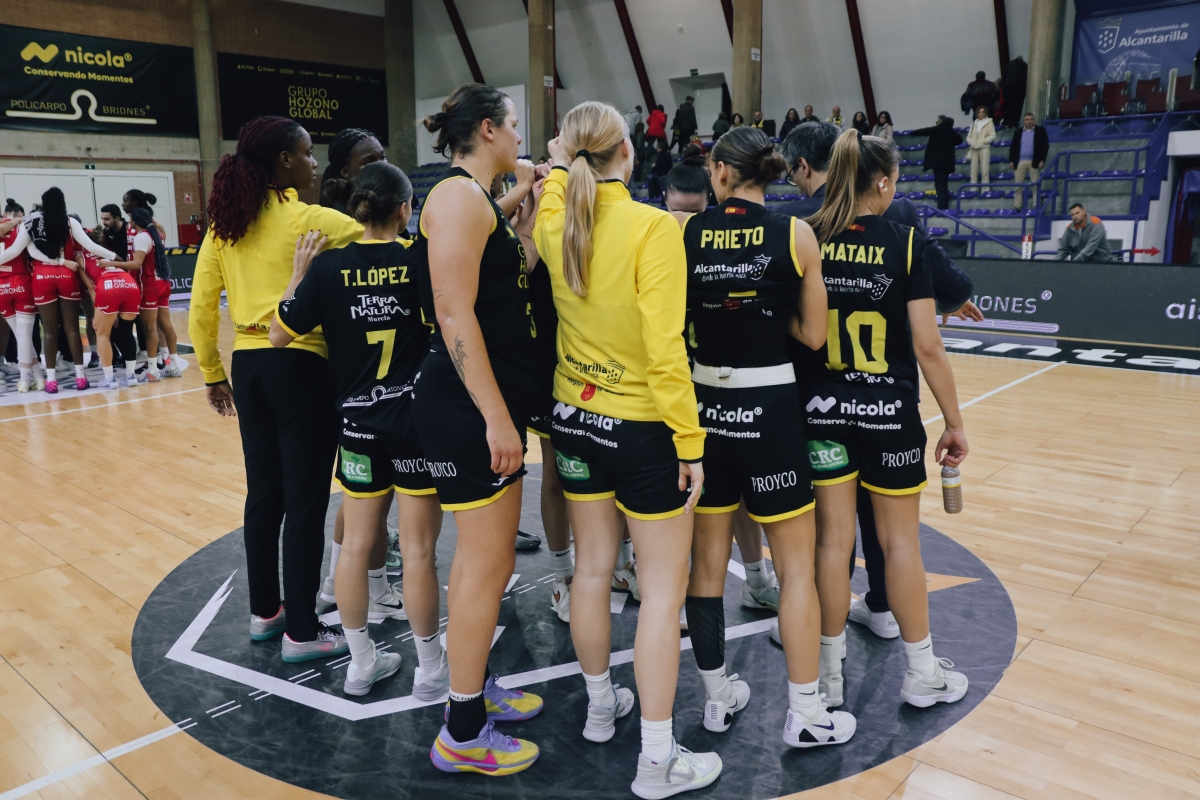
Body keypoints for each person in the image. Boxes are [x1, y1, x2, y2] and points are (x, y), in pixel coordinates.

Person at [537, 101, 720, 798]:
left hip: (574, 423)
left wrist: (557, 161)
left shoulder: (557, 219)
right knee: (662, 595)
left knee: (591, 572)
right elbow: (664, 349)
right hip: (643, 427)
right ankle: (656, 761)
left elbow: (557, 182)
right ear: (628, 153)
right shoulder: (652, 227)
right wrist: (690, 439)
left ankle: (599, 709)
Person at [673, 125, 855, 749]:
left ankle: (718, 698)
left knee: (704, 566)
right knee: (796, 567)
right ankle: (806, 712)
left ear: (720, 172)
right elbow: (813, 336)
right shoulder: (795, 232)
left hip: (704, 407)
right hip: (771, 404)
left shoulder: (688, 233)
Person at [777, 121, 980, 644]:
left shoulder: (805, 233)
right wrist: (954, 424)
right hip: (888, 413)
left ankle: (828, 670)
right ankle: (921, 669)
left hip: (820, 411)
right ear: (884, 184)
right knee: (900, 546)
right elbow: (929, 347)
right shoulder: (905, 240)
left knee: (830, 545)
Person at [189, 115, 363, 664]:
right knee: (306, 502)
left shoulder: (224, 227)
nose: (316, 163)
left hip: (249, 366)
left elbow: (199, 311)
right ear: (285, 162)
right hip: (301, 366)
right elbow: (388, 239)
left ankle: (266, 613)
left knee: (263, 496)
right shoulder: (313, 221)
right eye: (309, 153)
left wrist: (213, 373)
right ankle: (304, 632)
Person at [271, 162, 446, 699]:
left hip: (358, 427)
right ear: (403, 209)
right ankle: (431, 669)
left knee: (352, 547)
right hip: (415, 426)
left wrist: (300, 274)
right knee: (417, 552)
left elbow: (278, 335)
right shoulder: (419, 258)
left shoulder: (329, 269)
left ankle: (361, 663)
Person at [412, 84, 543, 777]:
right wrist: (497, 416)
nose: (522, 139)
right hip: (467, 407)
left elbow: (501, 284)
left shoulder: (476, 201)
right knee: (487, 567)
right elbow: (454, 314)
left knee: (477, 564)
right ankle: (462, 732)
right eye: (515, 127)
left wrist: (523, 220)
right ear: (488, 129)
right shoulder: (458, 198)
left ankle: (475, 687)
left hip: (475, 402)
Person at [664, 148, 779, 619]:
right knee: (683, 497)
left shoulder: (700, 231)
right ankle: (657, 582)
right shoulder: (664, 230)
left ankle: (754, 577)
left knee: (729, 493)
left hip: (708, 382)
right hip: (677, 385)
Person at [0, 188, 116, 393]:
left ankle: (51, 380)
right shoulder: (70, 222)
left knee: (50, 331)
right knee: (72, 329)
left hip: (41, 278)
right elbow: (91, 246)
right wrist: (116, 258)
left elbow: (17, 251)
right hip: (66, 275)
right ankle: (80, 377)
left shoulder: (32, 221)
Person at [123, 190, 183, 378]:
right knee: (165, 325)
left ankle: (153, 369)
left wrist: (110, 263)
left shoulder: (143, 234)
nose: (124, 205)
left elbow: (136, 263)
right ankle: (171, 363)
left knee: (150, 329)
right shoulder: (155, 232)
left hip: (148, 283)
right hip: (162, 282)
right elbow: (162, 233)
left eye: (126, 201)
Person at [73, 250, 140, 390]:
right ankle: (131, 376)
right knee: (127, 332)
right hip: (130, 284)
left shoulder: (80, 256)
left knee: (102, 334)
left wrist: (97, 312)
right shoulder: (107, 251)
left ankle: (110, 379)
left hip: (108, 286)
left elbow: (91, 288)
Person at [0, 198, 41, 392]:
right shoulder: (22, 227)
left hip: (2, 287)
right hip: (21, 283)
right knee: (24, 336)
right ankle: (26, 380)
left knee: (21, 335)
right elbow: (33, 252)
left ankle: (38, 378)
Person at [318, 127, 386, 211]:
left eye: (383, 157)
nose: (383, 165)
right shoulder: (340, 217)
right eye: (369, 161)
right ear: (345, 172)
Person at [908, 115, 964, 210]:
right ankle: (944, 205)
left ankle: (942, 207)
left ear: (942, 122)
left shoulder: (938, 129)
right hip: (948, 164)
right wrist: (949, 142)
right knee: (944, 184)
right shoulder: (952, 132)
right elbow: (960, 140)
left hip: (938, 163)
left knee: (939, 185)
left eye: (938, 122)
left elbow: (924, 131)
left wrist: (911, 133)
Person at [1008, 112, 1048, 209]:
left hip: (1034, 162)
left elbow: (1045, 146)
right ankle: (1017, 206)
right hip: (1019, 162)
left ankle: (1036, 205)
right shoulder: (1018, 132)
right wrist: (1011, 160)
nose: (1029, 121)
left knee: (1036, 185)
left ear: (1034, 120)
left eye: (1031, 119)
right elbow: (1013, 147)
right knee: (1018, 186)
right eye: (1027, 119)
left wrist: (1042, 160)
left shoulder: (1040, 131)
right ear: (1024, 121)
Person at [967, 106, 996, 185]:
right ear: (977, 113)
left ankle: (985, 188)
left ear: (985, 113)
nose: (981, 113)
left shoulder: (989, 122)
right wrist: (972, 142)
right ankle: (973, 188)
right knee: (973, 170)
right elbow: (968, 136)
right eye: (980, 112)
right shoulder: (973, 124)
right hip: (974, 148)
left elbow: (993, 135)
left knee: (985, 169)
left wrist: (984, 141)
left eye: (983, 112)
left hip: (984, 148)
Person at [1002, 57, 1028, 129]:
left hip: (1008, 87)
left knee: (1007, 104)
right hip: (1020, 87)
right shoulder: (1024, 65)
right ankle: (1015, 122)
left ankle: (1007, 121)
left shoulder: (1009, 64)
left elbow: (1004, 75)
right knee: (1018, 105)